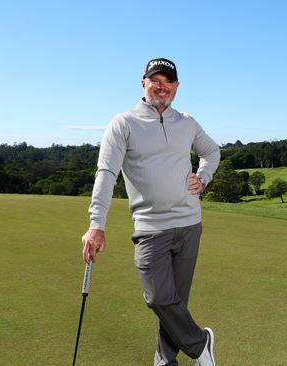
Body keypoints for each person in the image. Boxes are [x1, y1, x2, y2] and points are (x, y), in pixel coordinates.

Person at [81, 57, 221, 366]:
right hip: (149, 227)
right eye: (154, 80)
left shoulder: (187, 123)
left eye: (167, 81)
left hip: (189, 224)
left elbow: (212, 151)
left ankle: (164, 361)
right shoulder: (124, 123)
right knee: (159, 298)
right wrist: (96, 223)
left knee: (175, 304)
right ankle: (201, 344)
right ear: (143, 83)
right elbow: (106, 172)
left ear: (176, 87)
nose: (161, 87)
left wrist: (204, 178)